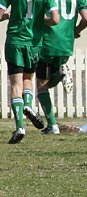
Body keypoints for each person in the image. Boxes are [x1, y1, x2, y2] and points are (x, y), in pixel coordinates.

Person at [0, 0, 60, 144]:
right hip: (34, 43)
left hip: (15, 41)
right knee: (28, 79)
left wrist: (9, 16)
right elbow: (55, 19)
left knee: (15, 85)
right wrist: (40, 20)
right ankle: (27, 104)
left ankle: (20, 127)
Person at [36, 0, 87, 134]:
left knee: (41, 85)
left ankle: (52, 125)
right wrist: (75, 31)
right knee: (48, 82)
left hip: (47, 41)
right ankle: (61, 72)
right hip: (66, 43)